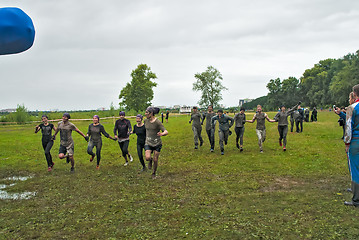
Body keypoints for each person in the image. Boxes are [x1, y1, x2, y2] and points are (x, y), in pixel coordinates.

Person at [343, 84, 359, 207]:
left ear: (354, 94)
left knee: (355, 169)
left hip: (356, 141)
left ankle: (356, 199)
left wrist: (347, 142)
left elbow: (348, 127)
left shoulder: (352, 108)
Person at [144, 107, 168, 178]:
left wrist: (162, 134)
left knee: (155, 159)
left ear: (151, 113)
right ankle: (150, 161)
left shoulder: (157, 122)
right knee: (147, 158)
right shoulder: (145, 121)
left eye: (146, 112)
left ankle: (154, 173)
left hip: (157, 143)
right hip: (148, 142)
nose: (145, 114)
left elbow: (166, 131)